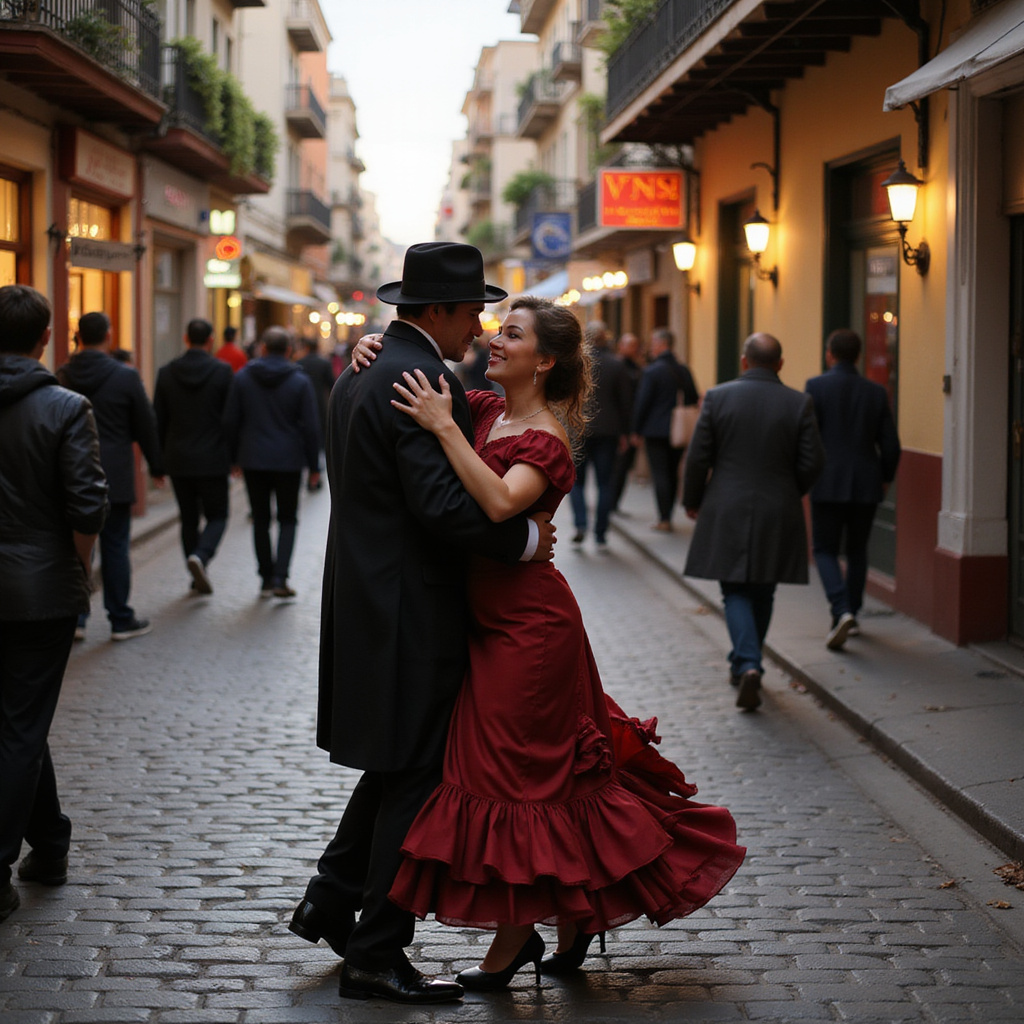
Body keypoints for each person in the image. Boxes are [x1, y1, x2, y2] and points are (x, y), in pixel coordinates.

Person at [384, 295, 745, 991]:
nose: (494, 338)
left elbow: (496, 503)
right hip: (488, 622)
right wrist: (371, 352)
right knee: (535, 777)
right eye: (497, 328)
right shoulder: (487, 411)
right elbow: (427, 381)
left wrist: (442, 428)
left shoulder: (544, 436)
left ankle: (513, 940)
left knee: (514, 779)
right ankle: (575, 919)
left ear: (544, 360)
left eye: (511, 333)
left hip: (529, 631)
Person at [290, 243, 556, 1006]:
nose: (478, 326)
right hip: (410, 607)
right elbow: (440, 508)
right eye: (472, 310)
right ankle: (375, 953)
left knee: (398, 764)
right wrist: (525, 541)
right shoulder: (419, 374)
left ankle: (332, 900)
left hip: (373, 596)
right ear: (435, 311)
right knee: (420, 779)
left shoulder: (366, 366)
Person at [0, 285, 108, 923]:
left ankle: (52, 844)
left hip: (30, 586)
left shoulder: (67, 403)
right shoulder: (66, 407)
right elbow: (86, 505)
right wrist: (80, 570)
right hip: (40, 591)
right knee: (19, 722)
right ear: (46, 337)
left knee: (18, 719)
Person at [682, 333, 825, 712]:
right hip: (778, 506)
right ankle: (745, 662)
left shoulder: (717, 397)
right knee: (764, 590)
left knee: (735, 591)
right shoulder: (799, 402)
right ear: (780, 364)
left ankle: (747, 663)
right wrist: (788, 490)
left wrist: (692, 500)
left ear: (745, 361)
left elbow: (699, 457)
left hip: (726, 504)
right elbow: (813, 463)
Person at [57, 312, 164, 641]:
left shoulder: (62, 374)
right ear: (108, 335)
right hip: (114, 471)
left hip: (71, 472)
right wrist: (157, 467)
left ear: (79, 336)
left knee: (75, 548)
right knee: (116, 546)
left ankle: (76, 617)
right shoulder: (125, 376)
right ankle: (120, 618)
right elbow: (145, 425)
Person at [805, 328, 901, 650]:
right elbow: (890, 444)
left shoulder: (815, 387)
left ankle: (840, 608)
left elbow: (808, 438)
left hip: (827, 480)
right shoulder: (875, 392)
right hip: (865, 481)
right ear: (858, 356)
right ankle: (853, 614)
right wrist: (885, 477)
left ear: (830, 354)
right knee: (857, 550)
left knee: (824, 549)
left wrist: (806, 474)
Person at [223, 326, 321, 599]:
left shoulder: (243, 378)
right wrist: (314, 467)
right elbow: (311, 427)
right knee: (288, 519)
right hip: (289, 460)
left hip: (253, 458)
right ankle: (281, 577)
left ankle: (265, 578)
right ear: (289, 351)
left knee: (261, 520)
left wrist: (233, 458)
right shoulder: (300, 381)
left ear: (263, 348)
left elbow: (231, 421)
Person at [153, 318, 235, 595]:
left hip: (178, 458)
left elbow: (158, 420)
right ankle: (201, 556)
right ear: (211, 340)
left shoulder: (166, 373)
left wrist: (157, 464)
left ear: (186, 339)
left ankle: (195, 569)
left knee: (188, 519)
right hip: (213, 458)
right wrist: (234, 457)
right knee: (218, 515)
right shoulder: (223, 372)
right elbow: (230, 419)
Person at [569, 320, 632, 547]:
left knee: (576, 482)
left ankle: (580, 524)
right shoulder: (617, 364)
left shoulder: (576, 364)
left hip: (579, 429)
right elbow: (626, 402)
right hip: (609, 430)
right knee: (605, 483)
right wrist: (626, 433)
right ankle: (601, 533)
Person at [632, 328, 698, 532]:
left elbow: (643, 402)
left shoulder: (652, 371)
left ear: (662, 345)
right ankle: (668, 514)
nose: (651, 347)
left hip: (655, 430)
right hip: (678, 430)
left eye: (653, 343)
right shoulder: (683, 370)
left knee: (660, 474)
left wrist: (636, 429)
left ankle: (664, 518)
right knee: (672, 472)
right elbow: (693, 398)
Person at [294, 335, 336, 490]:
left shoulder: (299, 363)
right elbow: (332, 384)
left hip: (301, 404)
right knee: (319, 437)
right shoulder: (324, 363)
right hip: (319, 403)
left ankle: (310, 470)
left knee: (306, 435)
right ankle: (316, 470)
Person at [610, 331, 644, 513]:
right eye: (628, 344)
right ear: (620, 346)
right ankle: (610, 502)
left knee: (623, 468)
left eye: (634, 345)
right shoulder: (617, 366)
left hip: (629, 424)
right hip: (617, 427)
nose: (632, 349)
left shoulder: (638, 368)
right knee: (616, 467)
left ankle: (613, 502)